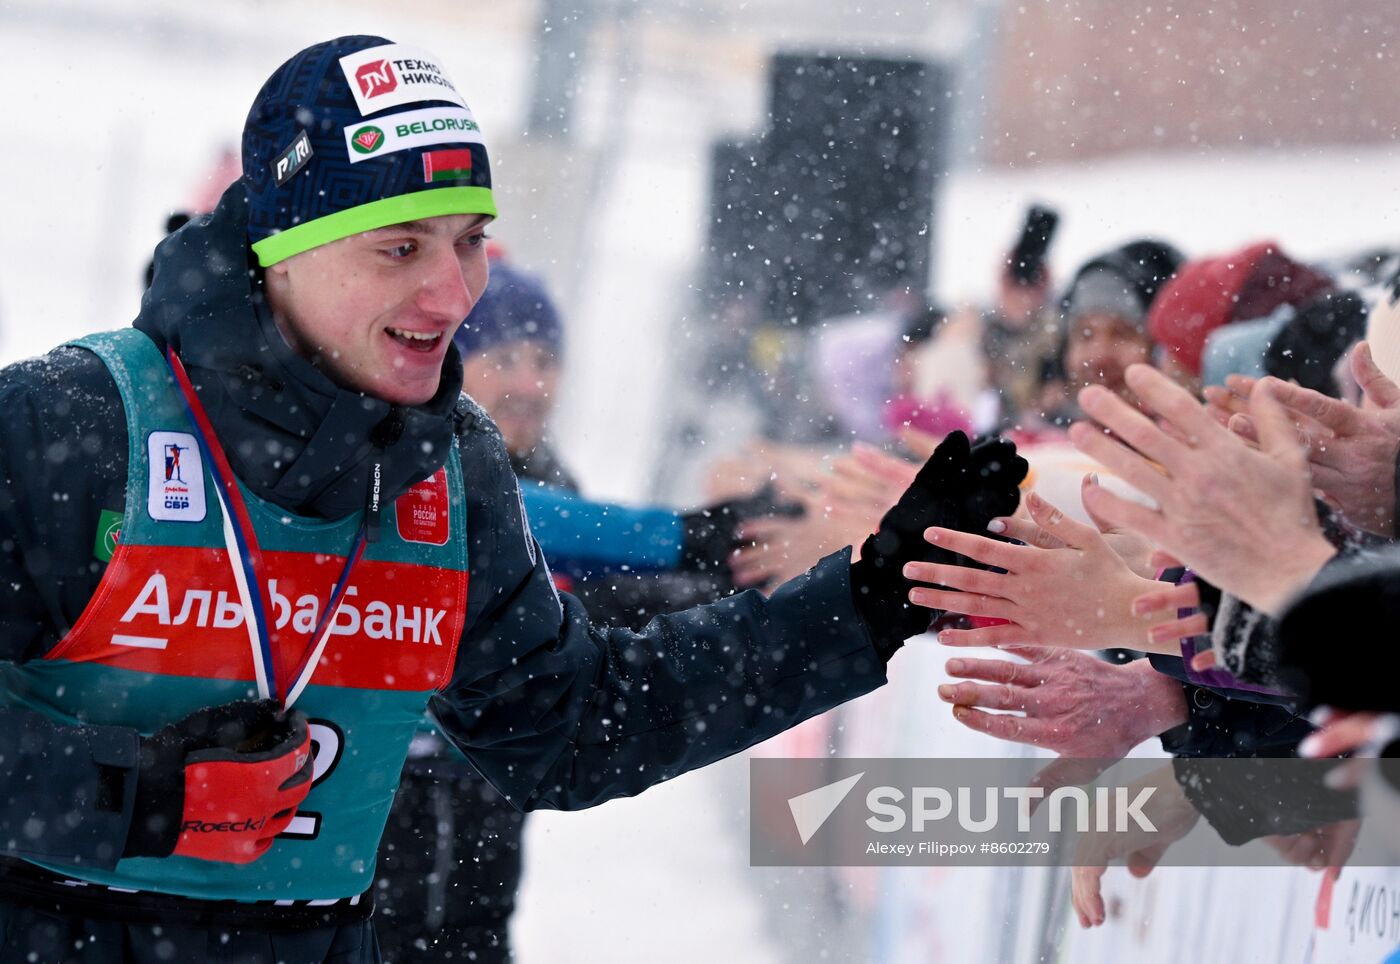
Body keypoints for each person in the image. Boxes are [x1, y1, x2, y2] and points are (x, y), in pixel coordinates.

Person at [0, 35, 1027, 963]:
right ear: (282, 248)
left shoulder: (449, 469)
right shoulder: (71, 426)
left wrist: (865, 601)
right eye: (400, 247)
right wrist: (132, 795)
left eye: (468, 240)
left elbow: (579, 725)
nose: (455, 294)